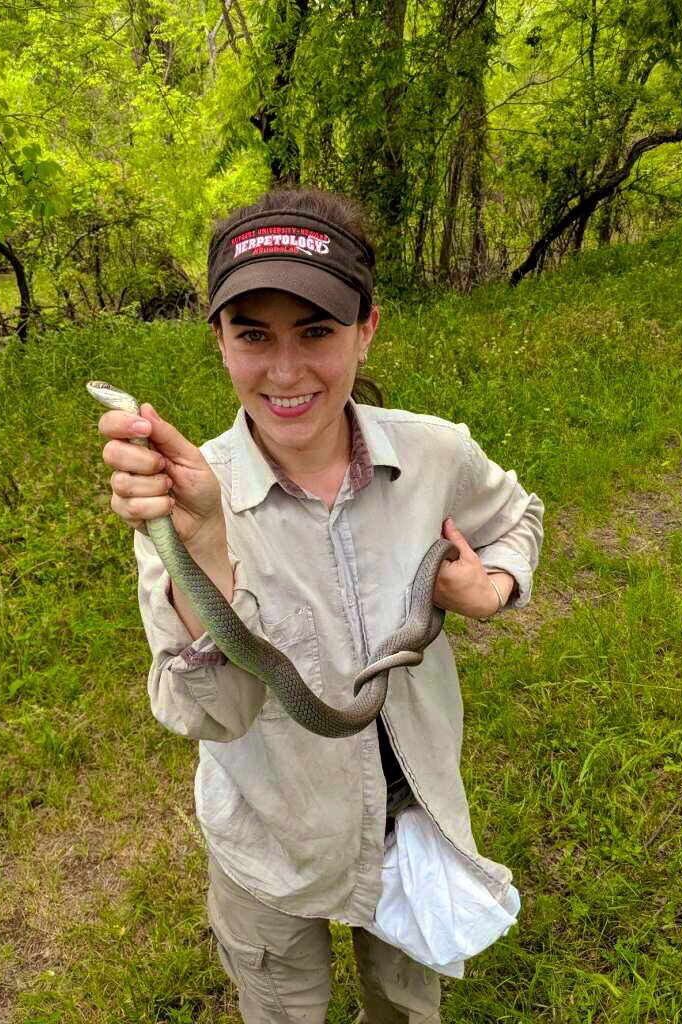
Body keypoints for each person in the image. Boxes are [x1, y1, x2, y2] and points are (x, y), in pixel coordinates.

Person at [96, 187, 544, 1024]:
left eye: (316, 332)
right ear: (220, 342)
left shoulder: (436, 452)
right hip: (272, 847)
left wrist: (492, 587)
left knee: (406, 1006)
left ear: (367, 326)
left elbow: (518, 516)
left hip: (413, 826)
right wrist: (206, 550)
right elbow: (217, 717)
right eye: (253, 335)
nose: (287, 371)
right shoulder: (186, 505)